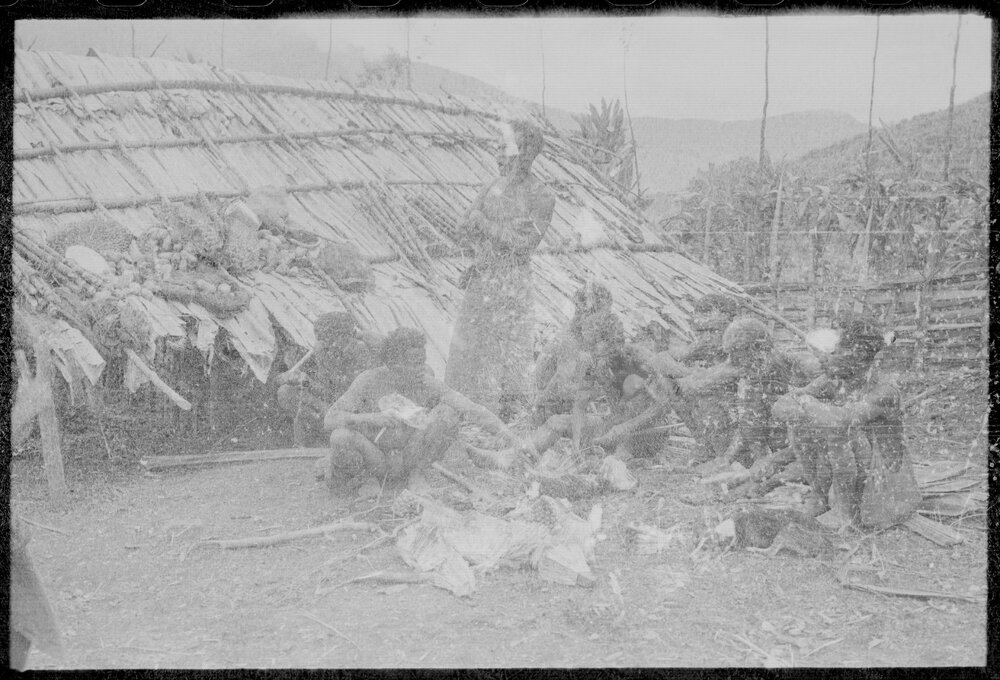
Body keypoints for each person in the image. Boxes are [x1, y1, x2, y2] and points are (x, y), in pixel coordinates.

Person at [445, 119, 556, 422]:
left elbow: (524, 247)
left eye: (508, 149)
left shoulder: (541, 196)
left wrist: (486, 224)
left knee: (504, 354)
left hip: (511, 283)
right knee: (469, 351)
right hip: (482, 278)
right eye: (500, 149)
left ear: (528, 152)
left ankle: (497, 422)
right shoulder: (491, 187)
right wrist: (488, 230)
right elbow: (462, 226)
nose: (501, 156)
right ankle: (465, 418)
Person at [323, 327, 522, 496]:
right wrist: (371, 418)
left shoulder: (426, 382)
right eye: (414, 363)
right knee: (340, 436)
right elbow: (330, 419)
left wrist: (510, 437)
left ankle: (417, 473)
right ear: (394, 364)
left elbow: (470, 408)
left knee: (447, 414)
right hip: (375, 457)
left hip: (409, 455)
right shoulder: (369, 380)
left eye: (422, 361)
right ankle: (366, 479)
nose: (421, 368)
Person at [772, 314, 912, 528]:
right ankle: (820, 497)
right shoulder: (834, 380)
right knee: (804, 424)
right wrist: (808, 409)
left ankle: (845, 512)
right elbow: (779, 406)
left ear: (858, 354)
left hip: (886, 487)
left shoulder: (884, 390)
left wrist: (807, 403)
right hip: (860, 478)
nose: (821, 358)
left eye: (831, 352)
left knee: (839, 427)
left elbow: (839, 421)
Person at [474, 310, 660, 467]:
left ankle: (617, 460)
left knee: (632, 384)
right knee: (557, 421)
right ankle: (508, 457)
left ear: (612, 340)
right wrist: (577, 444)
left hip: (645, 434)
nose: (592, 350)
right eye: (590, 345)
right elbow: (580, 405)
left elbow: (663, 405)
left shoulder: (638, 358)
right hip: (613, 427)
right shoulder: (596, 362)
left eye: (597, 344)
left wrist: (625, 427)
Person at [276, 312, 382, 446]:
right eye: (323, 340)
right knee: (286, 392)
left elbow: (356, 398)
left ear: (346, 336)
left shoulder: (360, 353)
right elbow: (327, 391)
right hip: (332, 406)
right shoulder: (323, 350)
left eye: (331, 339)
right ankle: (320, 436)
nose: (328, 346)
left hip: (355, 411)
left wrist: (327, 409)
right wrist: (305, 381)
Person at [531, 280, 614, 427]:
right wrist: (593, 390)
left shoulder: (579, 338)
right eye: (603, 316)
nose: (605, 321)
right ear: (586, 314)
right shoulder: (569, 343)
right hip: (550, 418)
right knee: (609, 425)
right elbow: (563, 391)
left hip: (558, 410)